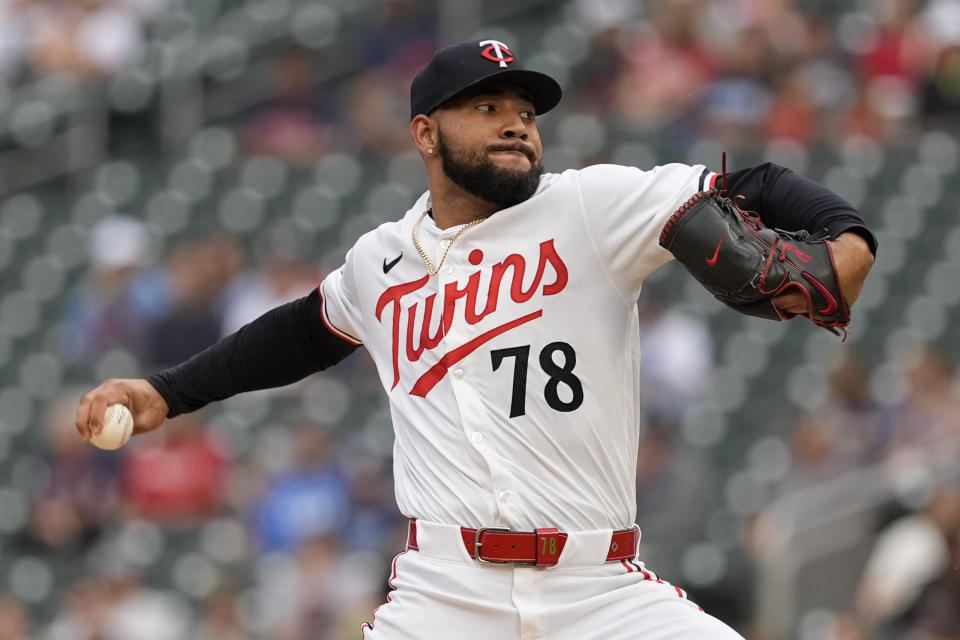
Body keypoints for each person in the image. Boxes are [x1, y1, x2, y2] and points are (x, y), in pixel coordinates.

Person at [76, 39, 876, 639]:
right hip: (445, 594)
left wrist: (846, 232)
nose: (517, 127)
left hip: (599, 591)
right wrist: (163, 393)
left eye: (526, 114)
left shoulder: (591, 207)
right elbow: (299, 334)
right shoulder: (380, 260)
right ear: (427, 134)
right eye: (486, 108)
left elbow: (756, 185)